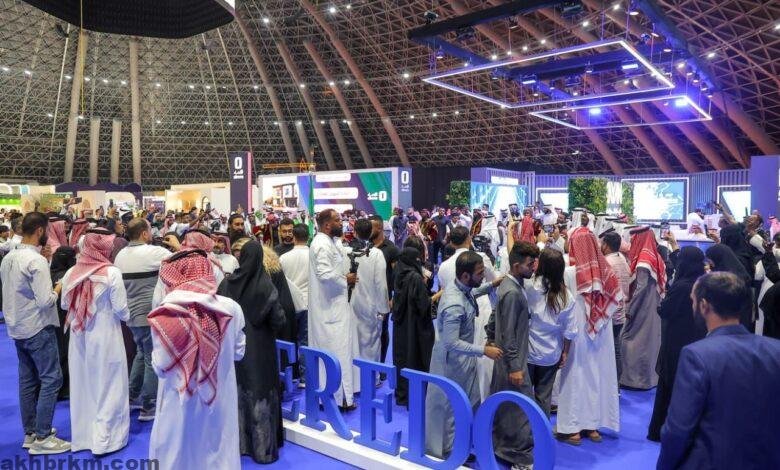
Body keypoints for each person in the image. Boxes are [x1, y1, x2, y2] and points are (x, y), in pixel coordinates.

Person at [657, 272, 780, 470]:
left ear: (704, 305)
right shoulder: (775, 351)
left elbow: (678, 430)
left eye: (693, 301)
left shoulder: (696, 355)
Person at [148, 250, 246, 470]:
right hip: (219, 398)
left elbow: (160, 367)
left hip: (178, 402)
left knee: (177, 453)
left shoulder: (165, 312)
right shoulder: (231, 308)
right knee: (218, 451)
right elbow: (239, 353)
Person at [0, 212, 69, 454]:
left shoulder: (9, 257)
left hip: (17, 327)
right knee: (52, 379)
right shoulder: (35, 260)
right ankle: (43, 437)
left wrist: (46, 262)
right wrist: (59, 286)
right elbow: (45, 301)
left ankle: (31, 432)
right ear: (40, 230)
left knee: (28, 381)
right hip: (37, 327)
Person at [425, 251, 503, 459]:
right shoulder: (454, 305)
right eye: (480, 273)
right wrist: (483, 350)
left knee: (468, 404)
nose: (483, 276)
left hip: (462, 360)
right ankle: (450, 453)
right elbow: (451, 343)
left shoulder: (460, 287)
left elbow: (471, 294)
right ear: (466, 276)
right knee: (452, 409)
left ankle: (459, 447)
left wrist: (491, 285)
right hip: (451, 363)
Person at [60, 228, 130, 455]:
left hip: (79, 335)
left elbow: (64, 305)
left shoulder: (72, 272)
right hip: (106, 334)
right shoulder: (112, 272)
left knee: (83, 383)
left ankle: (84, 438)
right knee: (109, 384)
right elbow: (121, 310)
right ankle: (106, 441)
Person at [218, 240, 286, 463]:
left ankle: (239, 444)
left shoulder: (226, 283)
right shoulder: (265, 285)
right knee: (261, 392)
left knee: (236, 391)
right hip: (261, 348)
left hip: (232, 348)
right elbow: (278, 320)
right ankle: (263, 449)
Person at [556, 227, 622, 445]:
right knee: (596, 374)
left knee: (574, 376)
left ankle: (572, 429)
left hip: (576, 329)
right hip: (601, 331)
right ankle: (592, 426)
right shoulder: (607, 271)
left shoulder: (569, 272)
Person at [114, 217, 172, 421]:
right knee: (150, 357)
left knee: (141, 353)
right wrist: (176, 245)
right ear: (145, 233)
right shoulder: (155, 252)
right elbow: (184, 260)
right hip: (149, 314)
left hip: (130, 316)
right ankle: (149, 405)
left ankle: (131, 396)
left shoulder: (120, 255)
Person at [648, 246, 707, 442]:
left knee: (670, 386)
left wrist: (662, 304)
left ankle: (663, 430)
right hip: (696, 339)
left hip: (677, 341)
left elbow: (666, 310)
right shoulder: (701, 283)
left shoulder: (682, 287)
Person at [488, 242, 539, 470]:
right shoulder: (511, 292)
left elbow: (494, 317)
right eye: (530, 264)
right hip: (513, 362)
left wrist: (490, 336)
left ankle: (502, 449)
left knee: (508, 407)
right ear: (517, 266)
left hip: (508, 360)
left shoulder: (511, 285)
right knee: (520, 410)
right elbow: (508, 335)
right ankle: (519, 459)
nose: (533, 268)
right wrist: (516, 367)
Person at [308, 209, 358, 410]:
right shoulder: (321, 244)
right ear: (327, 225)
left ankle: (341, 398)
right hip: (328, 311)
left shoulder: (330, 241)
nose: (342, 223)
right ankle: (334, 399)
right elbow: (324, 274)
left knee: (340, 353)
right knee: (334, 354)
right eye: (338, 220)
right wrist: (346, 279)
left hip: (335, 307)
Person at [525, 248, 576, 417]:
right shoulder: (567, 296)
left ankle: (524, 431)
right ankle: (542, 431)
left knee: (524, 398)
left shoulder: (529, 286)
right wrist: (565, 352)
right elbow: (570, 331)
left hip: (528, 351)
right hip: (551, 354)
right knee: (544, 398)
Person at [391, 236, 436, 407]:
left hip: (401, 324)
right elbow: (423, 304)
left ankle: (403, 392)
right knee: (416, 357)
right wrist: (439, 294)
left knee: (402, 357)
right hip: (416, 326)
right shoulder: (416, 278)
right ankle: (416, 395)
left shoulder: (399, 270)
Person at [620, 226, 665, 390]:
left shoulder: (643, 261)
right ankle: (648, 378)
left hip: (642, 307)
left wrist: (630, 310)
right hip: (652, 305)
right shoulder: (654, 255)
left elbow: (640, 288)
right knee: (649, 342)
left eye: (633, 239)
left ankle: (634, 380)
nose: (631, 242)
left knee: (633, 342)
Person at [349, 219, 389, 389]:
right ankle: (372, 380)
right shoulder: (376, 254)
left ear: (354, 231)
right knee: (371, 343)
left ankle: (354, 380)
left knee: (352, 342)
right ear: (371, 232)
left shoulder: (346, 250)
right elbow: (381, 284)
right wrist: (384, 308)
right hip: (370, 305)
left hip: (350, 304)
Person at [279, 223, 311, 383]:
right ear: (309, 237)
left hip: (290, 304)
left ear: (294, 237)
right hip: (309, 304)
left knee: (288, 340)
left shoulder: (283, 258)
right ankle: (305, 378)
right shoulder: (313, 256)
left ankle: (290, 377)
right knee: (305, 342)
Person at [369, 214, 400, 375]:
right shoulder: (366, 246)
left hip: (384, 298)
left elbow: (397, 275)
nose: (368, 230)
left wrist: (393, 298)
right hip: (366, 298)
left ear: (380, 228)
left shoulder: (391, 249)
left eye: (371, 227)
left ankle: (380, 368)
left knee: (382, 332)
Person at [600, 231, 631, 382]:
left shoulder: (606, 262)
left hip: (609, 313)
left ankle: (610, 385)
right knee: (616, 349)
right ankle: (616, 384)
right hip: (620, 312)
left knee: (607, 351)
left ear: (606, 245)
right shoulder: (623, 260)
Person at [50, 246, 77, 400]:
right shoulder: (70, 276)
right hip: (66, 319)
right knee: (65, 351)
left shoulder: (47, 272)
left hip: (48, 321)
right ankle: (64, 387)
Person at [704, 244, 753, 328]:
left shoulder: (730, 281)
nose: (710, 264)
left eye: (710, 261)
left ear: (718, 258)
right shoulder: (739, 274)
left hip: (730, 324)